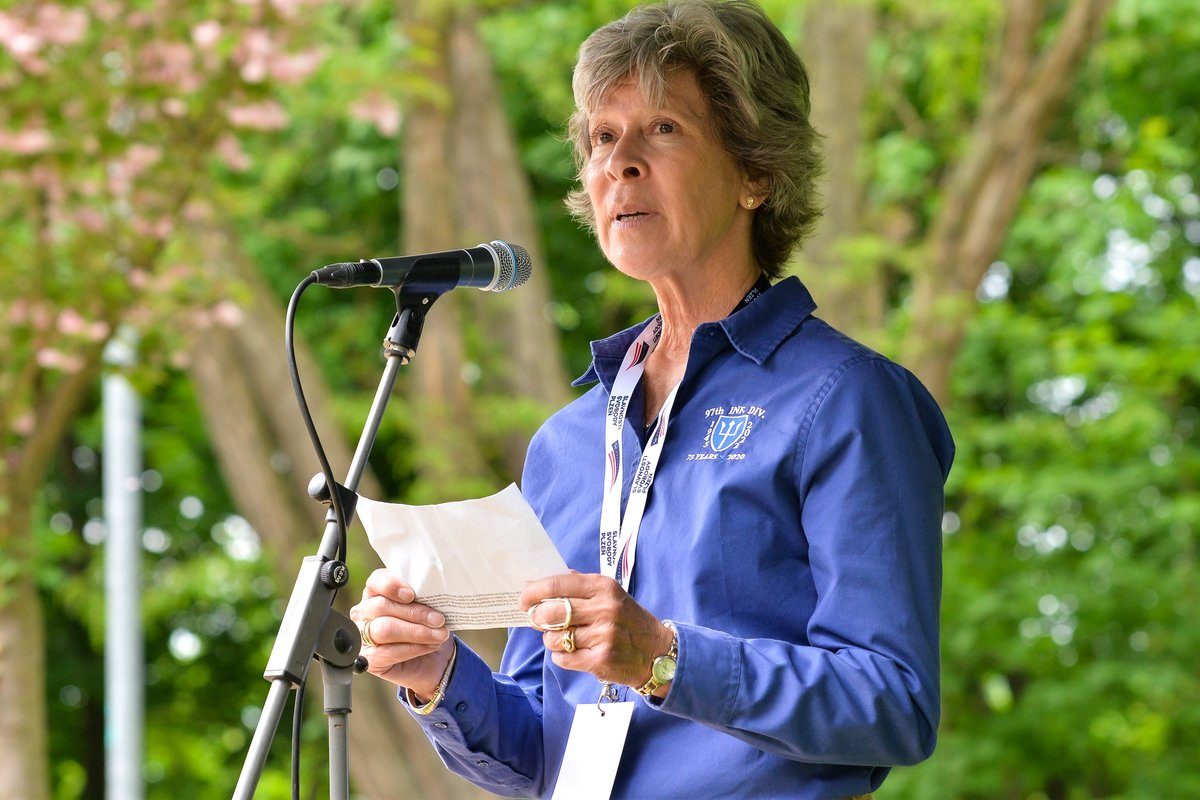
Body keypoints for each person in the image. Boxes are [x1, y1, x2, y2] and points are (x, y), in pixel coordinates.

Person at [349, 1, 954, 797]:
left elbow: (894, 703)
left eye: (663, 129)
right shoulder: (568, 444)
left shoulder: (844, 398)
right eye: (603, 137)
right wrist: (438, 675)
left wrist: (665, 659)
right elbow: (542, 749)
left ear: (756, 173)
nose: (619, 164)